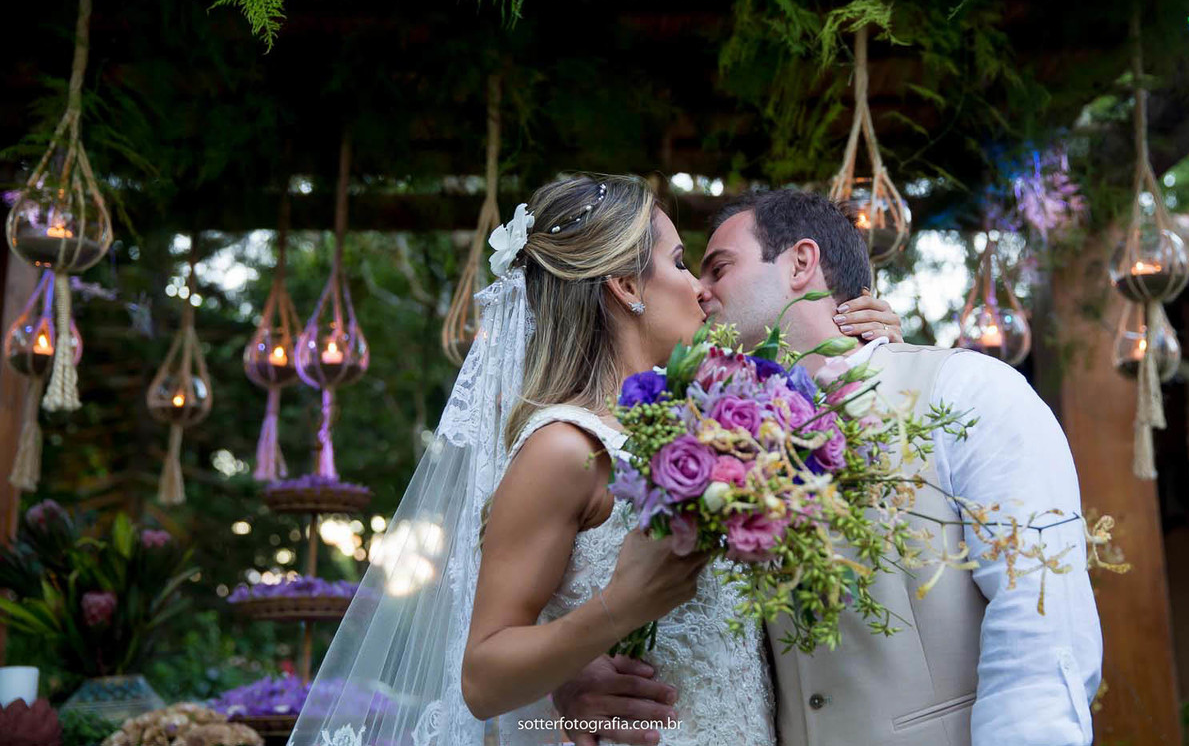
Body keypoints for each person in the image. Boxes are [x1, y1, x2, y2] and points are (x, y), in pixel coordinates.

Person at [287, 176, 902, 746]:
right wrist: (615, 615)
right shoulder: (565, 446)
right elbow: (481, 677)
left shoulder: (707, 428)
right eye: (681, 263)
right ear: (628, 286)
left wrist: (875, 364)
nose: (700, 289)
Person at [552, 188, 1102, 746]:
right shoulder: (715, 437)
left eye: (719, 268)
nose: (700, 290)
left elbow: (1040, 633)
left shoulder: (966, 391)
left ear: (800, 262)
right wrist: (569, 674)